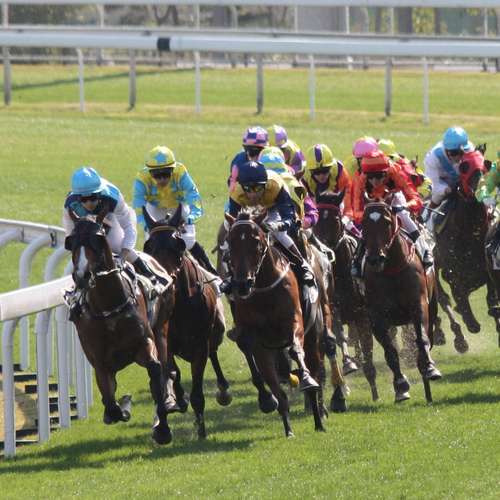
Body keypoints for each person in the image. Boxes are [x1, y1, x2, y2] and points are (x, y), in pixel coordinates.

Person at [220, 160, 316, 295]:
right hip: (248, 210)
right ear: (242, 186)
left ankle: (303, 266)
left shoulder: (275, 185)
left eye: (258, 188)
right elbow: (234, 222)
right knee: (232, 235)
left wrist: (276, 225)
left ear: (265, 184)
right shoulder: (236, 192)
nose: (253, 194)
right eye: (248, 189)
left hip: (273, 206)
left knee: (280, 234)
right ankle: (230, 276)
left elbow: (290, 218)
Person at [133, 145, 217, 275]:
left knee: (188, 241)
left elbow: (193, 196)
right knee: (152, 241)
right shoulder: (142, 179)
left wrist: (190, 218)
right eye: (156, 175)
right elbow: (138, 207)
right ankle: (147, 276)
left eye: (166, 174)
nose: (162, 179)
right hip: (155, 208)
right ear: (149, 173)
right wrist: (147, 225)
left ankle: (211, 273)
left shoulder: (180, 173)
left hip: (177, 206)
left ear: (173, 170)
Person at [351, 151, 433, 277]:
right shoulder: (361, 179)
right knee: (370, 223)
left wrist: (404, 206)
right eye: (370, 177)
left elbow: (415, 198)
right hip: (373, 203)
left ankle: (425, 250)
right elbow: (356, 209)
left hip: (394, 198)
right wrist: (365, 216)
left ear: (386, 172)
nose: (374, 181)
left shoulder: (395, 171)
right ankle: (357, 260)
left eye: (379, 176)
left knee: (403, 215)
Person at [63, 166, 154, 278]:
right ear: (77, 197)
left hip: (110, 216)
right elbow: (70, 235)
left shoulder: (114, 198)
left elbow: (129, 227)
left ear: (99, 193)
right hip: (85, 221)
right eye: (84, 199)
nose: (89, 203)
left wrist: (123, 256)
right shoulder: (70, 205)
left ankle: (147, 272)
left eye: (93, 198)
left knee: (116, 245)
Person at [303, 143, 359, 238]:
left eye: (325, 170)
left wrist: (345, 220)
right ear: (310, 171)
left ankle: (360, 241)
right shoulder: (304, 177)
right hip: (313, 204)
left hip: (336, 203)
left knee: (349, 225)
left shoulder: (339, 170)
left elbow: (348, 205)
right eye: (316, 172)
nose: (321, 176)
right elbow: (303, 206)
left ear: (331, 166)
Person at [424, 126, 474, 231]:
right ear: (446, 150)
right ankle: (427, 216)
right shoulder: (433, 157)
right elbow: (432, 182)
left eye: (462, 152)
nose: (459, 157)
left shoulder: (470, 149)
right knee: (437, 195)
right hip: (442, 185)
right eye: (454, 153)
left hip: (463, 182)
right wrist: (445, 189)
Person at [228, 126, 269, 193]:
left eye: (255, 151)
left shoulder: (239, 159)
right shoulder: (239, 160)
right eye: (248, 150)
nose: (251, 154)